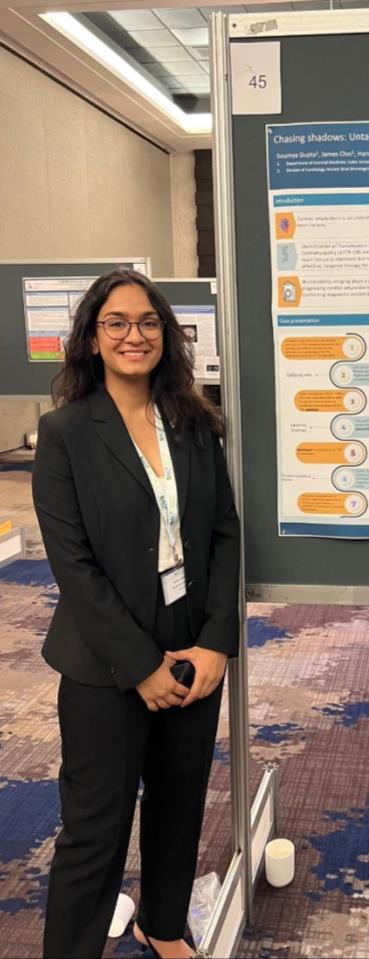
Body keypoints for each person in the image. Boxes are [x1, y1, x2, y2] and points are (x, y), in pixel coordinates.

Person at [32, 269, 240, 959]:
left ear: (166, 335)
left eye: (149, 322)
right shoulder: (65, 433)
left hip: (192, 646)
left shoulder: (194, 423)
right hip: (105, 662)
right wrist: (141, 665)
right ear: (93, 339)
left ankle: (162, 923)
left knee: (179, 804)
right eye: (116, 322)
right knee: (96, 827)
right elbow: (74, 568)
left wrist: (215, 641)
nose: (134, 335)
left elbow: (224, 533)